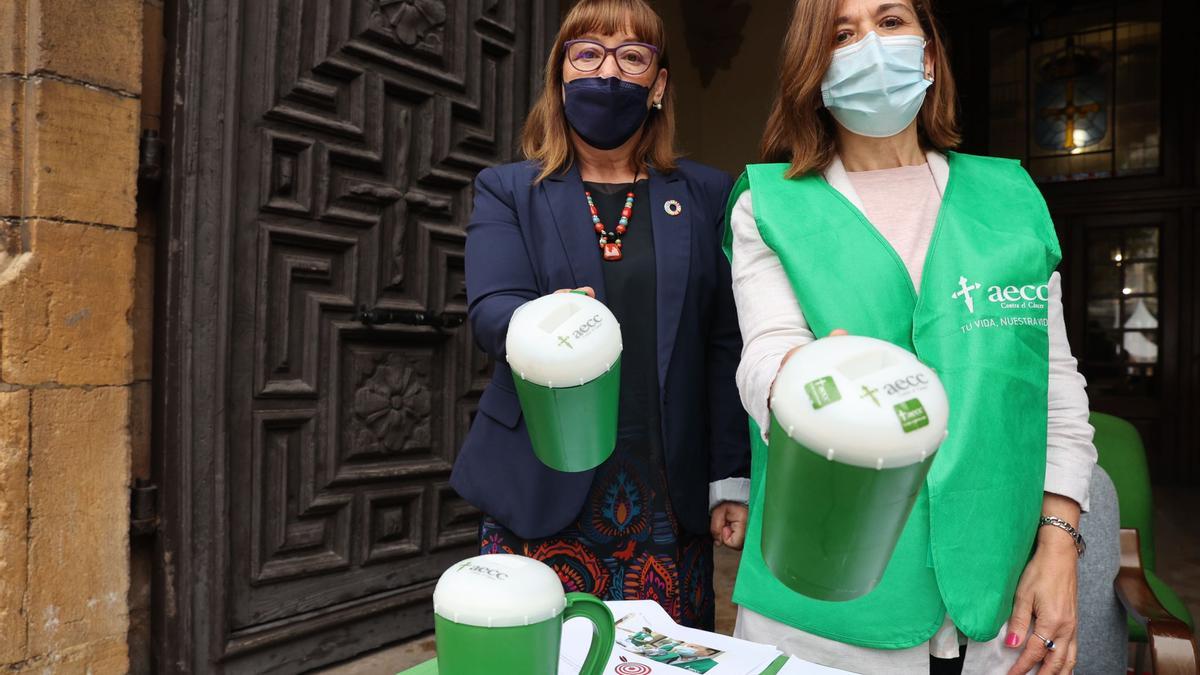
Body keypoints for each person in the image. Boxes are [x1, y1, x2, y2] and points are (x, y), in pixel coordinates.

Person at [723, 0, 1097, 672]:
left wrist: (1061, 540)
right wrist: (797, 380)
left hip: (997, 591)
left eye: (890, 21)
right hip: (828, 598)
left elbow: (1055, 386)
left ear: (927, 54)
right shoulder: (770, 202)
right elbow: (765, 351)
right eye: (842, 33)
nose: (869, 43)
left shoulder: (1008, 198)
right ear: (815, 68)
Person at [450, 0, 750, 629]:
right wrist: (549, 324)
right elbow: (490, 313)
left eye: (632, 56)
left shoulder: (707, 193)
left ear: (659, 83)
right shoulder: (509, 189)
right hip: (544, 478)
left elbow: (725, 341)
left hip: (666, 489)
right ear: (560, 74)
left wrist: (730, 476)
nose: (607, 73)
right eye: (587, 53)